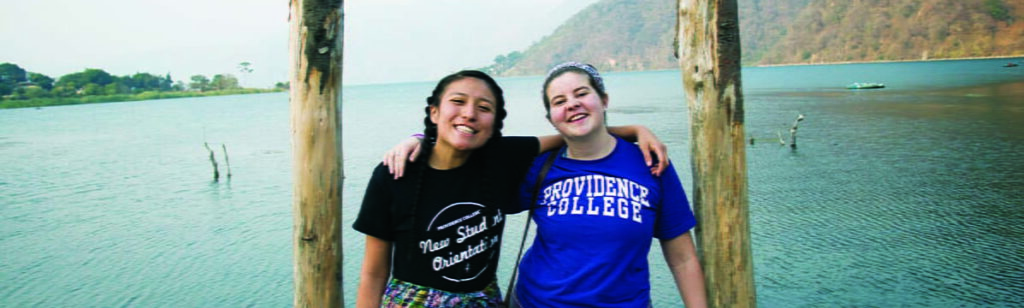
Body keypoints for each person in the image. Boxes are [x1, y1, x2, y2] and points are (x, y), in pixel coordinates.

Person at [354, 70, 669, 308]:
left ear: (493, 124)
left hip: (484, 300)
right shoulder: (395, 173)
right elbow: (372, 273)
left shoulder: (501, 159)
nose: (469, 113)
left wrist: (634, 130)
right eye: (458, 102)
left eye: (484, 107)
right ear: (434, 112)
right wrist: (417, 138)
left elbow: (572, 133)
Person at [510, 62, 707, 307]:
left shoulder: (650, 163)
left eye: (582, 94)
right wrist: (634, 128)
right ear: (551, 119)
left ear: (604, 100)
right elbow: (488, 157)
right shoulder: (540, 167)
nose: (572, 103)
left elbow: (683, 258)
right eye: (559, 102)